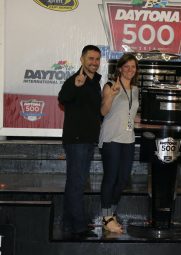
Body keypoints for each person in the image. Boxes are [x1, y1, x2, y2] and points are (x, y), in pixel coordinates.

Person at [58, 45, 102, 237]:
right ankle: (79, 227)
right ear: (82, 59)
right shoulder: (75, 80)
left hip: (88, 140)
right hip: (76, 141)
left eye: (97, 59)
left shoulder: (96, 82)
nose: (94, 62)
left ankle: (68, 223)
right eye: (90, 58)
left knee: (75, 183)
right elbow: (63, 98)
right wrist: (75, 86)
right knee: (77, 184)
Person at [98, 53, 139, 233]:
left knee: (123, 179)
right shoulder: (109, 86)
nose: (130, 70)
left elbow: (131, 114)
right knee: (111, 177)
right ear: (120, 68)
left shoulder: (136, 89)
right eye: (126, 66)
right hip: (111, 138)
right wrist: (112, 96)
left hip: (128, 139)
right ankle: (107, 218)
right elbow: (103, 111)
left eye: (133, 67)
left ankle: (111, 212)